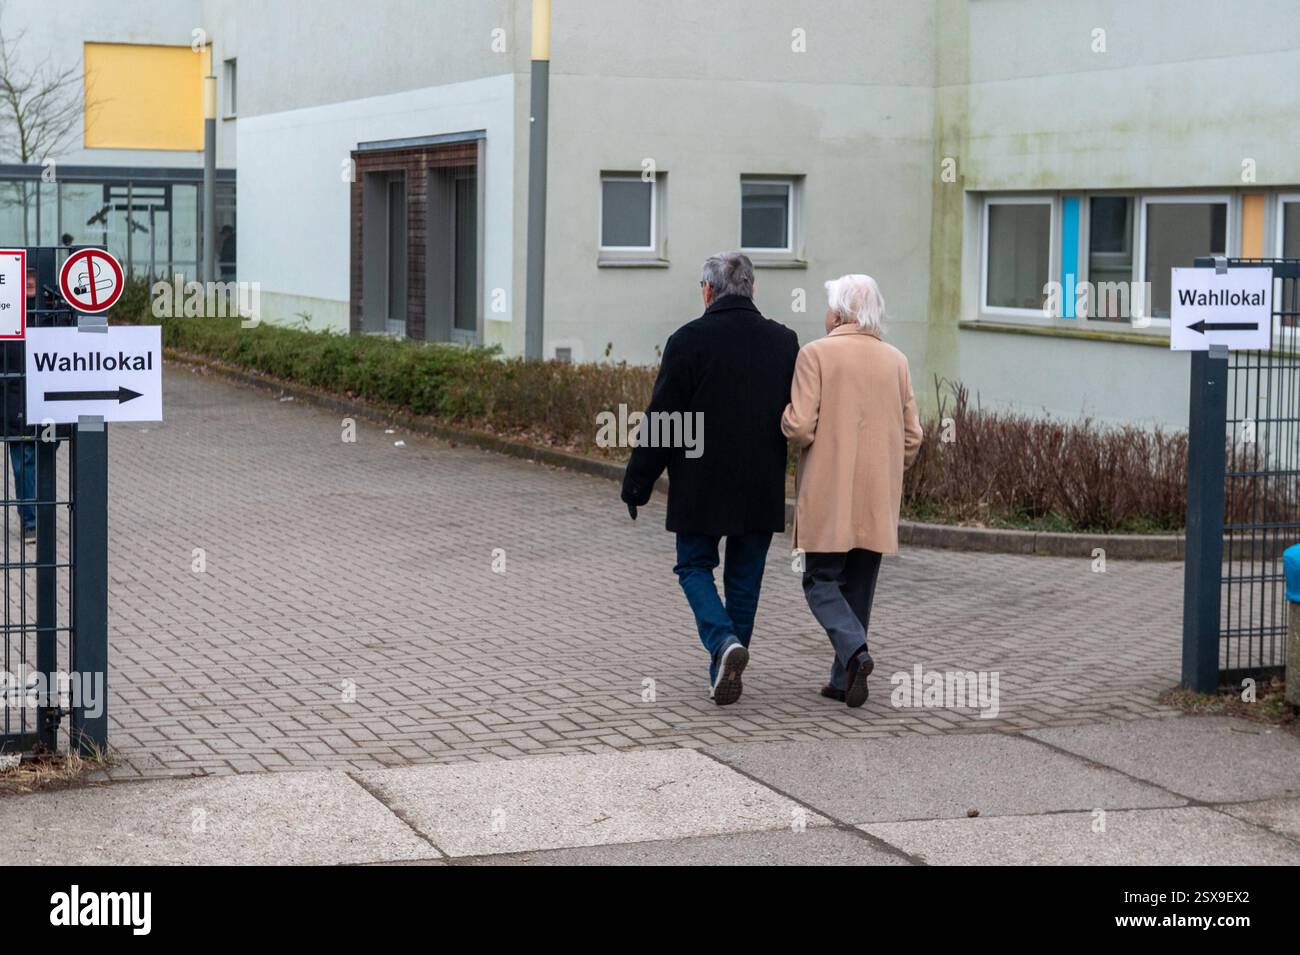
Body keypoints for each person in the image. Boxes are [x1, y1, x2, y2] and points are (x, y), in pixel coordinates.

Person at [622, 252, 799, 705]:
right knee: (745, 577)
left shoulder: (688, 340)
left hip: (701, 482)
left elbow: (664, 419)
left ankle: (722, 644)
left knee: (694, 566)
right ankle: (726, 660)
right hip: (759, 483)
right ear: (752, 289)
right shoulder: (784, 342)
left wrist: (639, 481)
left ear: (707, 290)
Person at [781, 275, 923, 707]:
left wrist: (784, 419)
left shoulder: (816, 354)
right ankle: (843, 680)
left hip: (830, 493)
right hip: (877, 497)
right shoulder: (896, 360)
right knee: (858, 588)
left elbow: (801, 426)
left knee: (819, 581)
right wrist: (886, 465)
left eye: (828, 306)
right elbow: (913, 437)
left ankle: (856, 653)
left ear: (839, 312)